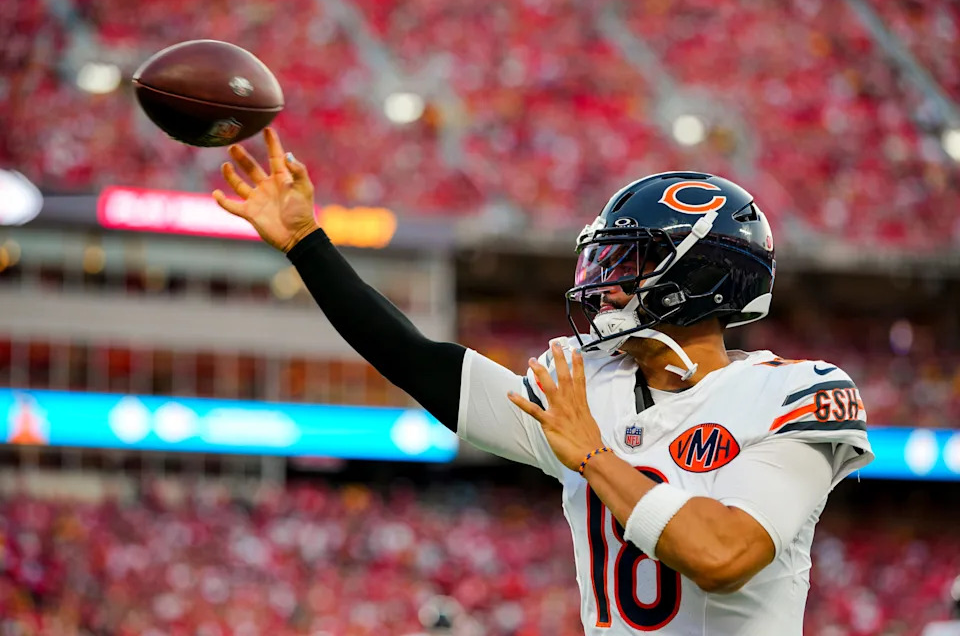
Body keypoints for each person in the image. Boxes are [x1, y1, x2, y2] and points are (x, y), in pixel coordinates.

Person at [213, 129, 874, 635]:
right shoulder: (587, 384)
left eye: (630, 262)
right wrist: (306, 240)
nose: (604, 283)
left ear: (696, 278)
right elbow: (418, 360)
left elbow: (722, 554)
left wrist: (593, 457)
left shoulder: (795, 394)